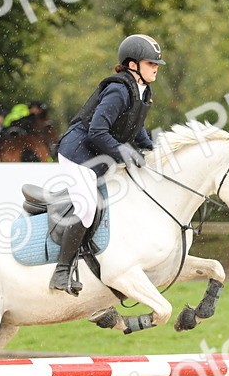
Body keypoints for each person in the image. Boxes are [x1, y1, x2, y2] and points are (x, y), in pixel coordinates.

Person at [50, 34, 164, 295]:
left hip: (99, 156)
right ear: (133, 65)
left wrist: (152, 150)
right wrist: (124, 152)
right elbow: (97, 131)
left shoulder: (143, 91)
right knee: (87, 207)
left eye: (156, 63)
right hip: (77, 154)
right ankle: (61, 271)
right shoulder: (118, 90)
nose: (156, 67)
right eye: (150, 63)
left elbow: (135, 127)